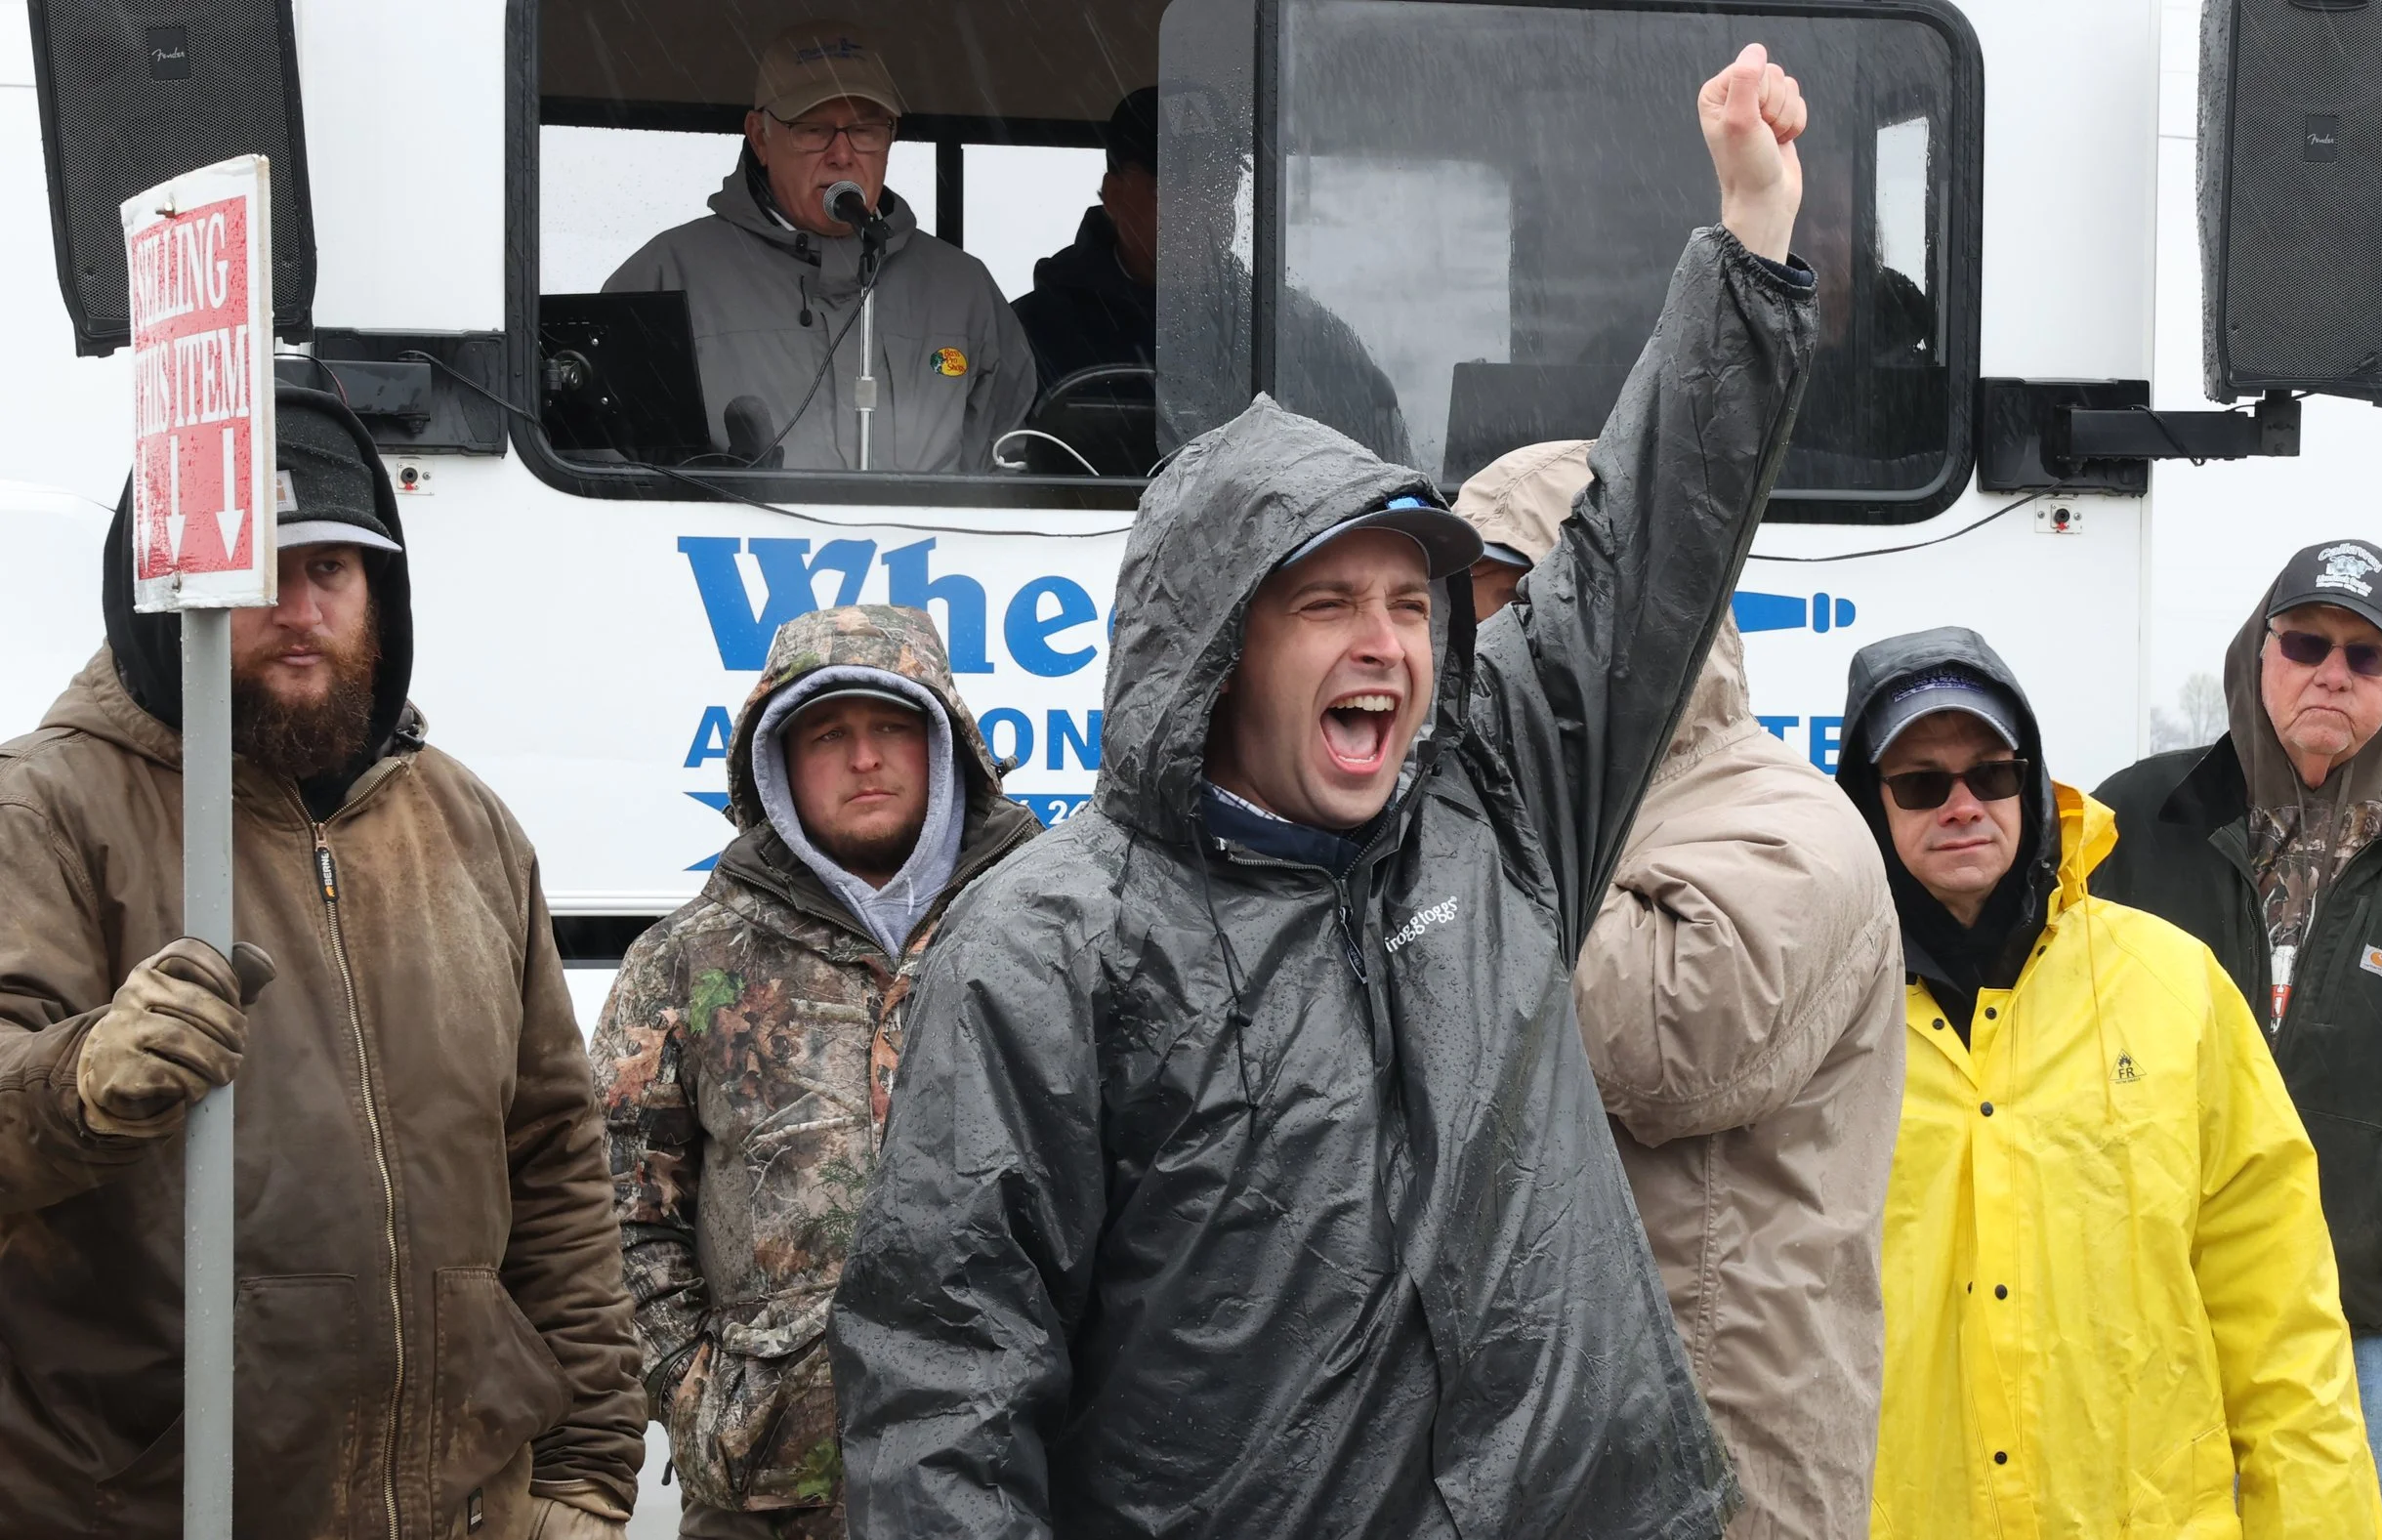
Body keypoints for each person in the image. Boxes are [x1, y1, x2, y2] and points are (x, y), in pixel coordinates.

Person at [831, 45, 1817, 1538]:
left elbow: (1646, 555)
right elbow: (943, 1387)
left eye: (1413, 605)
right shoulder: (1048, 949)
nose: (1387, 646)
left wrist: (1749, 240)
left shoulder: (1495, 817)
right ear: (1220, 645)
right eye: (1326, 605)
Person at [0, 387, 644, 1538]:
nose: (300, 610)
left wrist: (586, 1470)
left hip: (455, 1512)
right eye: (259, 576)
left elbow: (554, 1161)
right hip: (149, 1505)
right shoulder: (46, 807)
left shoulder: (468, 825)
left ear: (381, 595)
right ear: (172, 593)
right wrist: (79, 1080)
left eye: (333, 571)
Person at [1453, 437, 1905, 1540]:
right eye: (1457, 611)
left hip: (1722, 1463)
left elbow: (1675, 1039)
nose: (1471, 654)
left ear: (1610, 611)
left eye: (1511, 606)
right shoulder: (1525, 799)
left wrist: (1464, 854)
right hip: (1557, 1444)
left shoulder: (1789, 824)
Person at [1842, 626, 2382, 1537]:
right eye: (1921, 783)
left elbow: (2281, 1315)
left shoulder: (2174, 986)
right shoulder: (1808, 1018)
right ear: (1869, 805)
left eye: (1993, 773)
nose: (1964, 804)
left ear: (2033, 780)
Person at [590, 604, 1037, 1540]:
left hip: (1016, 1477)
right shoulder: (686, 961)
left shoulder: (1045, 928)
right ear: (777, 762)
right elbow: (618, 1211)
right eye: (828, 733)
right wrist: (697, 1389)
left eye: (891, 726)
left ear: (944, 742)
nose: (864, 758)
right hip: (766, 1500)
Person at [2093, 538, 2382, 1540]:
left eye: (2363, 654)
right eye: (2304, 642)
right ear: (2259, 652)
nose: (2331, 670)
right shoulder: (2130, 818)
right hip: (2159, 1329)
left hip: (2373, 1337)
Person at [606, 22, 1035, 473]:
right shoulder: (668, 274)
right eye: (813, 130)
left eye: (865, 130)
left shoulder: (961, 288)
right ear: (760, 137)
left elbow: (1011, 464)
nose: (842, 154)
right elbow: (595, 463)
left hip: (930, 546)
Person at [1011, 88, 1158, 391]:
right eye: (1170, 187)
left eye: (1221, 186)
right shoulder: (1032, 332)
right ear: (1115, 196)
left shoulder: (1266, 321)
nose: (1205, 209)